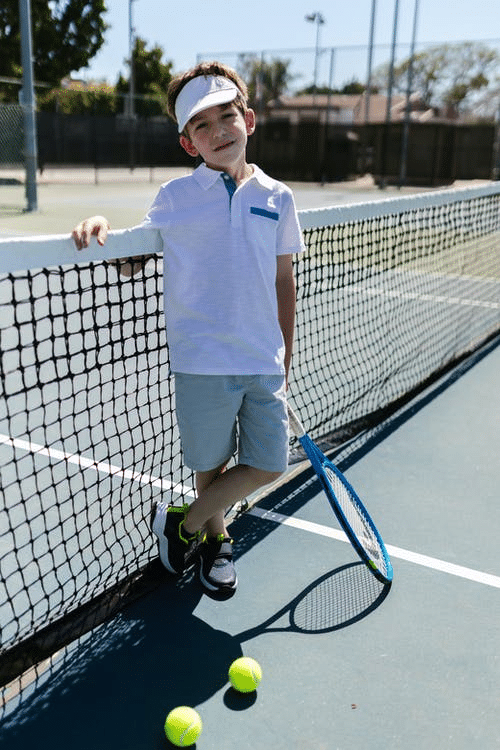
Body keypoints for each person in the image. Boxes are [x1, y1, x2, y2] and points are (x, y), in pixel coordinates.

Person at [72, 62, 305, 598]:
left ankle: (183, 523)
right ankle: (215, 542)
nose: (219, 131)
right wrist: (103, 229)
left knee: (270, 463)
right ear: (188, 143)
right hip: (201, 362)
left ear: (248, 118)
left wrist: (285, 359)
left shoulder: (279, 197)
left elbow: (283, 282)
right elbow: (131, 257)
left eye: (228, 116)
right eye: (203, 126)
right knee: (211, 464)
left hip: (262, 361)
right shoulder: (176, 197)